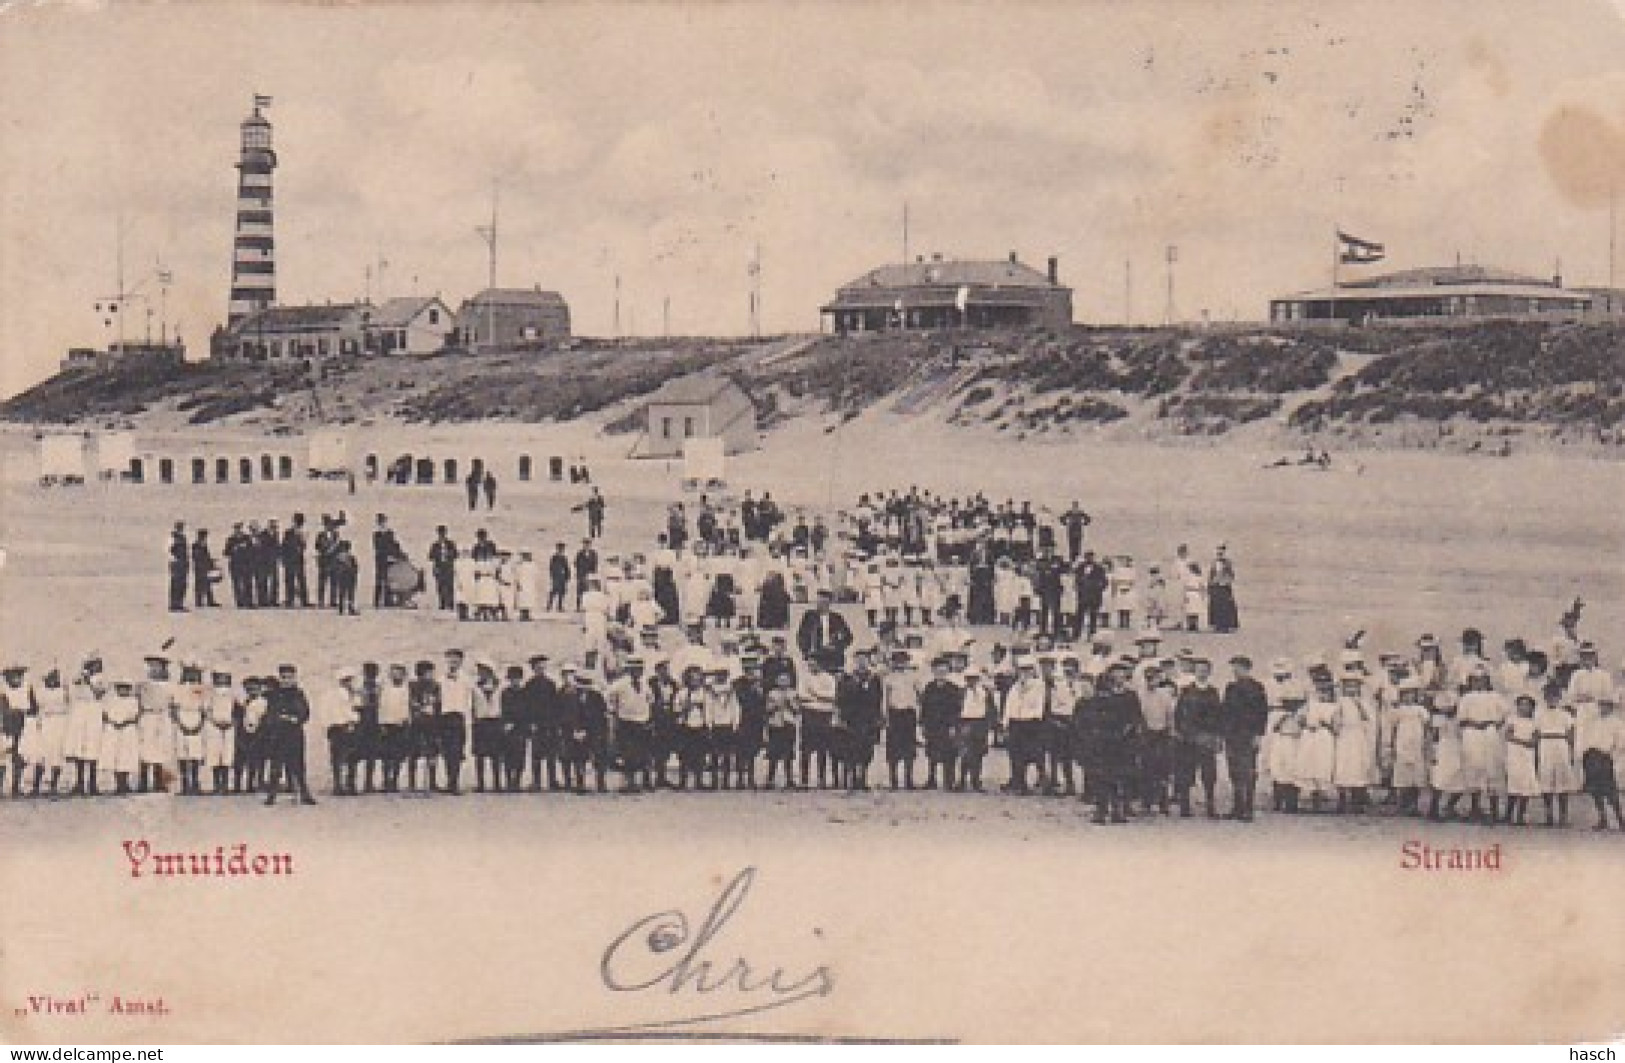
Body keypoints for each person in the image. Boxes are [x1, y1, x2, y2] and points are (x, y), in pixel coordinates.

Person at [1219, 655, 1269, 821]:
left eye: (1238, 667)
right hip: (1232, 736)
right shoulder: (1230, 687)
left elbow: (1262, 713)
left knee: (1248, 771)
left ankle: (1248, 808)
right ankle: (1237, 807)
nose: (1235, 670)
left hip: (1248, 735)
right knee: (1234, 772)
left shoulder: (1257, 687)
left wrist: (1258, 734)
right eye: (1234, 667)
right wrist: (1223, 733)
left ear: (1246, 668)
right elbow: (1225, 711)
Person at [1173, 657, 1223, 817]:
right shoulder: (1186, 691)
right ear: (1194, 672)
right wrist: (1181, 732)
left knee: (1209, 773)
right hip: (1189, 738)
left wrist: (1216, 736)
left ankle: (1210, 805)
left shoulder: (1213, 692)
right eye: (1199, 670)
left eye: (1205, 670)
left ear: (1209, 672)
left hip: (1207, 738)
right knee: (1186, 772)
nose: (1202, 673)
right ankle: (1185, 806)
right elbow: (1179, 713)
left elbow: (1218, 716)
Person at [262, 664, 316, 806]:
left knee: (298, 764)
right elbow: (270, 713)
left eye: (290, 677)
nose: (287, 680)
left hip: (294, 733)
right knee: (276, 765)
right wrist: (279, 719)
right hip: (278, 734)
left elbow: (305, 712)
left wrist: (296, 718)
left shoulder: (299, 693)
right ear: (280, 678)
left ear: (294, 677)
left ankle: (304, 793)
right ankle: (271, 795)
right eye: (284, 677)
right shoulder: (274, 695)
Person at [1534, 683, 1578, 827]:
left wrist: (1571, 752)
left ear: (1559, 698)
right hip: (1545, 745)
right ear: (1545, 697)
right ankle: (1549, 814)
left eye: (1554, 696)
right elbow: (1536, 733)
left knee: (1562, 780)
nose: (1551, 699)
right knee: (1546, 778)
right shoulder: (1539, 714)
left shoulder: (1565, 715)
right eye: (1548, 696)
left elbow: (1570, 734)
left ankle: (1563, 815)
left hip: (1561, 745)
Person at [608, 658, 654, 793]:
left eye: (640, 669)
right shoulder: (619, 685)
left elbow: (650, 701)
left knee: (643, 752)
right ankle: (629, 782)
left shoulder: (645, 684)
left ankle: (645, 781)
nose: (637, 672)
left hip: (642, 722)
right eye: (634, 669)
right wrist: (615, 715)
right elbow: (610, 700)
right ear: (628, 670)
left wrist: (649, 718)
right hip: (626, 722)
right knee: (628, 753)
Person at [1579, 695, 1624, 831]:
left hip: (1605, 758)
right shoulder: (1593, 722)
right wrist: (1585, 754)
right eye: (1601, 705)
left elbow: (1621, 742)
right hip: (1591, 756)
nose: (1603, 708)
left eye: (1606, 705)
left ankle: (1620, 819)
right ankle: (1602, 819)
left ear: (1611, 707)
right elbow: (1586, 738)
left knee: (1610, 790)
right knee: (1595, 791)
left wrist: (1612, 756)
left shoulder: (1617, 723)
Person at [882, 649, 920, 790]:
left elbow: (920, 694)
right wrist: (885, 716)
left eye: (903, 661)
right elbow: (885, 699)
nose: (900, 664)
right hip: (895, 714)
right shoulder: (888, 678)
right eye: (897, 661)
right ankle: (894, 781)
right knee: (893, 749)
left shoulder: (913, 677)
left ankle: (908, 780)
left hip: (908, 714)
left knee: (909, 748)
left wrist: (918, 712)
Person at [323, 668, 361, 797]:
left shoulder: (352, 695)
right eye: (348, 680)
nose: (350, 683)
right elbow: (346, 712)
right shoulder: (337, 695)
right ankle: (341, 785)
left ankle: (347, 784)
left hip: (346, 727)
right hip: (340, 727)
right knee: (341, 757)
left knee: (349, 757)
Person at [796, 590, 854, 668]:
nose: (820, 605)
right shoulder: (809, 617)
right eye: (818, 602)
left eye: (823, 602)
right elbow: (801, 636)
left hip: (833, 657)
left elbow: (848, 637)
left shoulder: (837, 618)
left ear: (829, 603)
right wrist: (807, 652)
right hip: (815, 656)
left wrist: (837, 646)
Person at [204, 669, 238, 795]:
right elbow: (206, 710)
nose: (221, 680)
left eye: (224, 677)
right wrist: (215, 722)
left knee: (226, 755)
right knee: (215, 754)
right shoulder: (210, 693)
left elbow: (237, 709)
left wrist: (231, 722)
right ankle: (216, 784)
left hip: (228, 727)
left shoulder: (232, 693)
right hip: (214, 727)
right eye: (219, 677)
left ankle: (224, 785)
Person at [763, 671, 799, 789]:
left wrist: (790, 703)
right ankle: (770, 779)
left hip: (789, 724)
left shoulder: (793, 693)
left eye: (786, 680)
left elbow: (797, 710)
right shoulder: (772, 693)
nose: (783, 683)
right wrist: (775, 705)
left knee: (788, 753)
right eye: (781, 680)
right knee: (773, 753)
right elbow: (767, 709)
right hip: (776, 724)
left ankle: (789, 779)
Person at [372, 515, 403, 609]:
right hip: (381, 559)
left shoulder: (389, 533)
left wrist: (396, 555)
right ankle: (377, 601)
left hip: (389, 559)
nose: (381, 523)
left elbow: (393, 545)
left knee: (388, 580)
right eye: (380, 522)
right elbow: (378, 547)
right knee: (379, 579)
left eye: (382, 521)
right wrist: (387, 555)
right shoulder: (377, 534)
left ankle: (387, 600)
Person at [282, 513, 310, 608]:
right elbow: (284, 546)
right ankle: (290, 600)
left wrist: (302, 542)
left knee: (301, 579)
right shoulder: (288, 533)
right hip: (290, 559)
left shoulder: (302, 533)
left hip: (298, 559)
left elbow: (303, 546)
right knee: (290, 580)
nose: (299, 524)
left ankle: (304, 600)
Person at [429, 527, 458, 612]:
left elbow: (456, 555)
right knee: (440, 586)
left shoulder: (450, 544)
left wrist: (449, 555)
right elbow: (431, 556)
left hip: (448, 566)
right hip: (439, 567)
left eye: (443, 534)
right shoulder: (435, 545)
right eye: (440, 534)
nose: (442, 535)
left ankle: (450, 603)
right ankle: (442, 603)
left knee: (449, 585)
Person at [190, 530, 218, 608]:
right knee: (199, 584)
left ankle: (210, 601)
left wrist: (211, 563)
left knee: (208, 584)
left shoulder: (204, 545)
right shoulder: (196, 545)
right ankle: (199, 601)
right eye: (204, 536)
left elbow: (206, 556)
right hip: (199, 568)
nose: (205, 538)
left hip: (205, 568)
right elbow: (197, 557)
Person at [168, 522, 189, 612]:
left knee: (182, 584)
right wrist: (175, 560)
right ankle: (174, 604)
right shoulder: (173, 538)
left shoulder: (182, 538)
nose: (181, 529)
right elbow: (170, 550)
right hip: (177, 563)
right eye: (180, 528)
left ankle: (179, 603)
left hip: (183, 563)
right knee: (176, 584)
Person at [573, 540, 599, 610]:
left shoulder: (593, 553)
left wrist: (593, 574)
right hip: (581, 574)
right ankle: (578, 606)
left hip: (590, 575)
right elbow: (576, 563)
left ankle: (586, 606)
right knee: (579, 591)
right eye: (585, 544)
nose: (586, 546)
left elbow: (595, 564)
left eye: (588, 544)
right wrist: (579, 572)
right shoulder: (580, 553)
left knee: (588, 591)